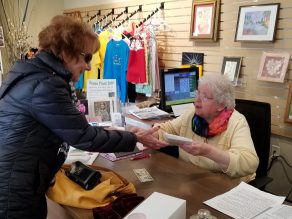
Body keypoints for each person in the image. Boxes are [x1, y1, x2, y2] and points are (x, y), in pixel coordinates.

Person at [0, 15, 167, 219]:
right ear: (65, 52)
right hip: (14, 186)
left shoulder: (32, 72)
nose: (89, 66)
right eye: (86, 57)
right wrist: (135, 137)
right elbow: (84, 136)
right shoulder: (46, 85)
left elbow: (68, 126)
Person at [154, 74, 259, 182]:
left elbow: (249, 163)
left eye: (205, 97)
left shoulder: (237, 122)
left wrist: (208, 152)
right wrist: (153, 134)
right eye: (198, 93)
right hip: (193, 180)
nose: (197, 100)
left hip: (225, 185)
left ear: (221, 105)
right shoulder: (192, 113)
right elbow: (168, 128)